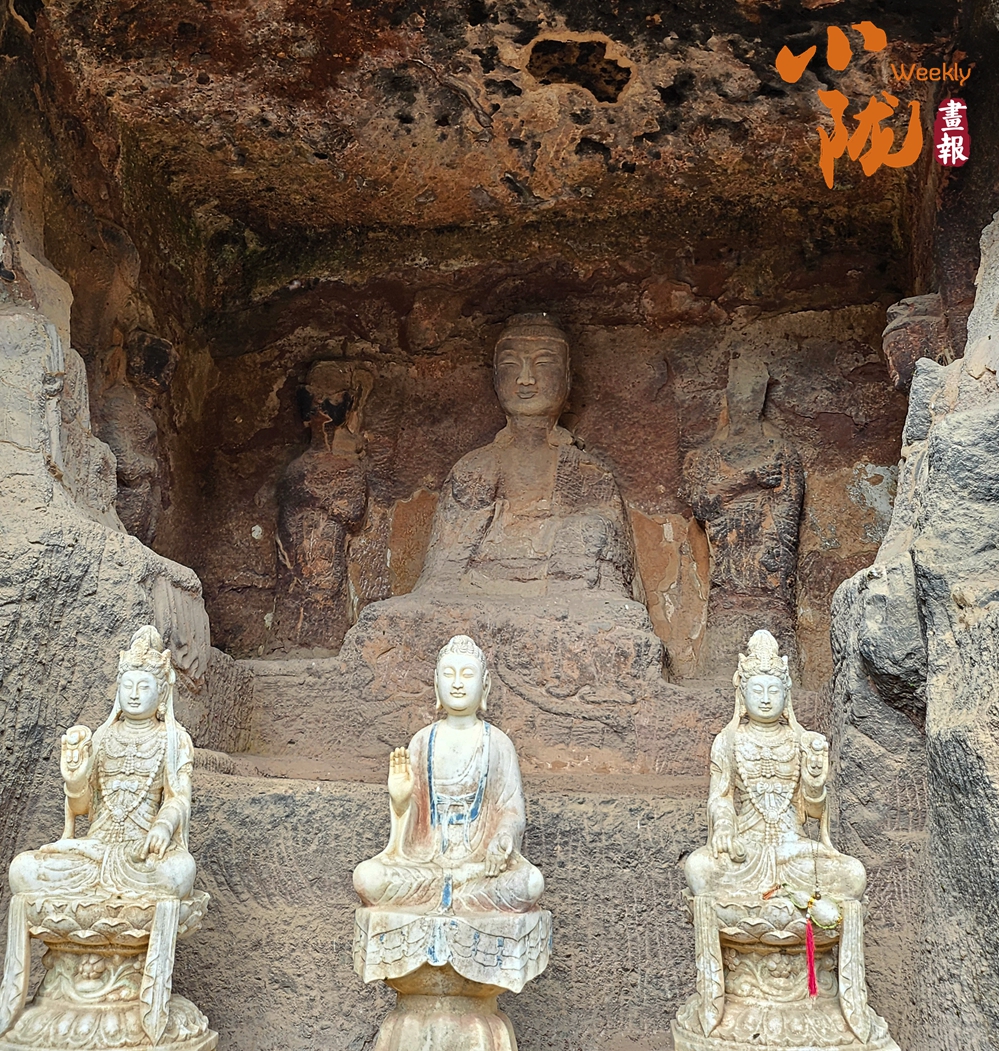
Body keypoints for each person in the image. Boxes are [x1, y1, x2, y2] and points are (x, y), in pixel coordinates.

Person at [353, 634, 544, 913]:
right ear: (436, 683)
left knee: (529, 883)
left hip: (479, 868)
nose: (456, 683)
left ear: (485, 685)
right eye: (448, 674)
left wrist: (502, 838)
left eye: (467, 675)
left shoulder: (498, 744)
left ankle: (449, 893)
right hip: (426, 863)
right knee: (367, 877)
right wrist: (401, 801)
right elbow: (412, 833)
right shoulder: (422, 741)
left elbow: (511, 812)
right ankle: (455, 892)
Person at [8, 625, 196, 900]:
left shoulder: (175, 739)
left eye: (144, 687)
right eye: (127, 686)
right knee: (22, 868)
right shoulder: (101, 737)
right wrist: (75, 781)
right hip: (92, 847)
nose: (134, 694)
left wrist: (163, 827)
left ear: (162, 693)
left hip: (139, 853)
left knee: (179, 871)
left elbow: (178, 798)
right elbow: (84, 807)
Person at [685, 628, 866, 903]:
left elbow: (813, 812)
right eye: (757, 690)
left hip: (793, 848)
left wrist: (814, 786)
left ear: (786, 694)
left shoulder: (803, 741)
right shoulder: (727, 740)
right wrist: (724, 828)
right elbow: (720, 797)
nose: (766, 699)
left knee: (853, 874)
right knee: (698, 868)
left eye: (774, 690)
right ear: (742, 693)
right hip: (747, 847)